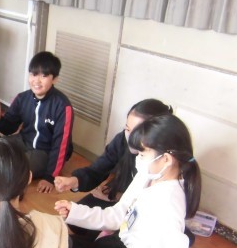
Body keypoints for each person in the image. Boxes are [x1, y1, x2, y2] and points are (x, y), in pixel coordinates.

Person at [55, 114, 201, 248]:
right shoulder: (148, 175)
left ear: (166, 159)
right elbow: (117, 215)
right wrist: (75, 212)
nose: (138, 158)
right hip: (116, 245)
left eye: (143, 153)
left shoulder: (167, 201)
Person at [55, 99, 173, 237]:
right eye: (127, 129)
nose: (130, 137)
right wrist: (74, 181)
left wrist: (116, 197)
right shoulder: (123, 141)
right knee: (74, 221)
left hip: (136, 215)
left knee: (99, 237)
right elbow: (98, 169)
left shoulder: (162, 167)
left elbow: (144, 211)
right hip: (119, 203)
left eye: (137, 132)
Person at [0, 51, 74, 194]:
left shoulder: (63, 106)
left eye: (44, 76)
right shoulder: (22, 98)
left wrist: (50, 177)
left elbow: (61, 145)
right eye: (33, 74)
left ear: (55, 79)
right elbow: (9, 128)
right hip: (23, 141)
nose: (37, 81)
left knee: (14, 169)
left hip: (45, 152)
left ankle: (6, 181)